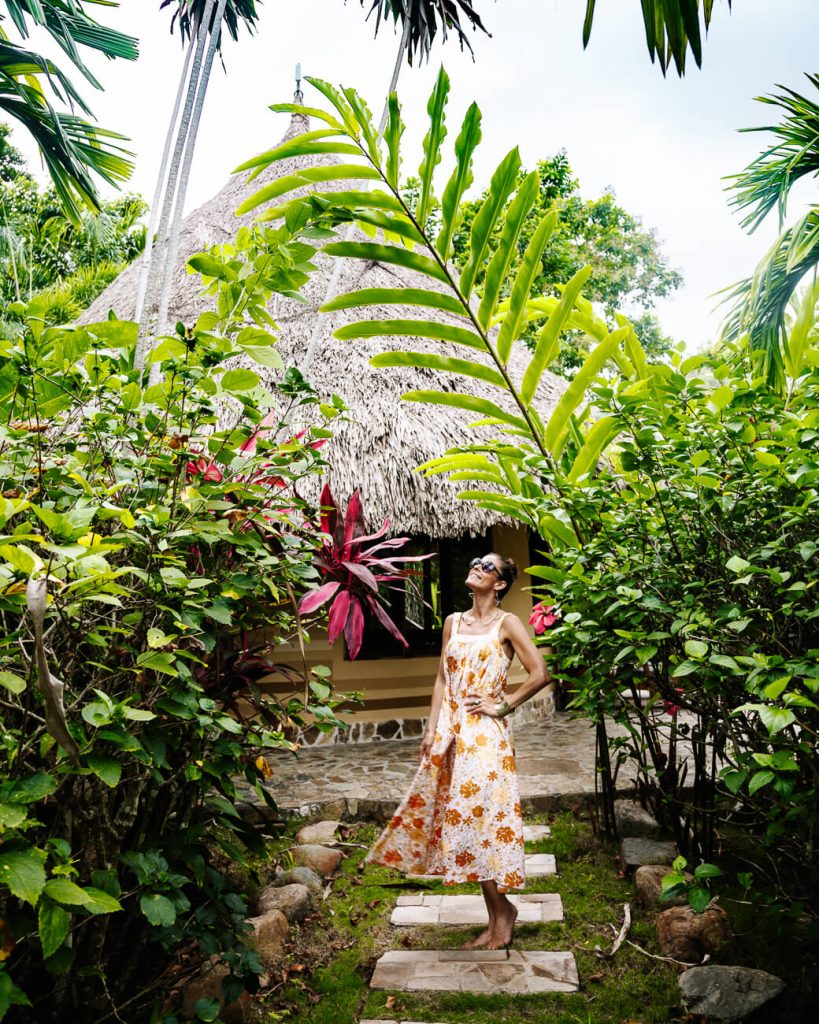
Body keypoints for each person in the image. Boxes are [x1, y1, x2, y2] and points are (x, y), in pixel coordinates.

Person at [367, 552, 552, 951]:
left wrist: (503, 705)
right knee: (466, 828)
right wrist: (431, 729)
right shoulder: (453, 621)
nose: (476, 567)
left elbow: (540, 673)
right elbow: (440, 680)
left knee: (482, 824)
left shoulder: (508, 623)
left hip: (486, 739)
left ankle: (503, 914)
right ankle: (497, 916)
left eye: (487, 567)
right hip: (452, 735)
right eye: (475, 562)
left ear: (500, 584)